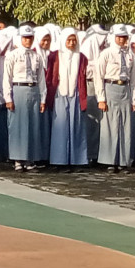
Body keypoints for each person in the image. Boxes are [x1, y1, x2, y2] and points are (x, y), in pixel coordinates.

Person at [94, 25, 135, 172]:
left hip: (125, 88)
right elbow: (98, 76)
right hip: (110, 87)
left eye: (124, 37)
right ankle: (110, 161)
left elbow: (133, 78)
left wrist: (133, 99)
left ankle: (123, 161)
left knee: (125, 125)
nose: (121, 39)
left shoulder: (129, 55)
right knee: (110, 125)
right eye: (119, 37)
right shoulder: (106, 54)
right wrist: (101, 98)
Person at [0, 25, 45, 172]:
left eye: (30, 38)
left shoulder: (36, 56)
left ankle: (30, 159)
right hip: (18, 88)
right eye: (25, 38)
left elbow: (41, 78)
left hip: (33, 89)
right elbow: (7, 78)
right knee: (18, 125)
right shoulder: (12, 55)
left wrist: (43, 98)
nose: (28, 40)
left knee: (33, 125)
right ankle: (18, 159)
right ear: (20, 38)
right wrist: (8, 97)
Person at [48, 28, 91, 169]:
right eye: (69, 40)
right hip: (59, 93)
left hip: (76, 93)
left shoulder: (81, 57)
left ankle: (77, 160)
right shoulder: (55, 56)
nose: (72, 43)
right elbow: (50, 76)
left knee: (76, 125)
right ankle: (59, 160)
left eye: (74, 40)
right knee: (60, 126)